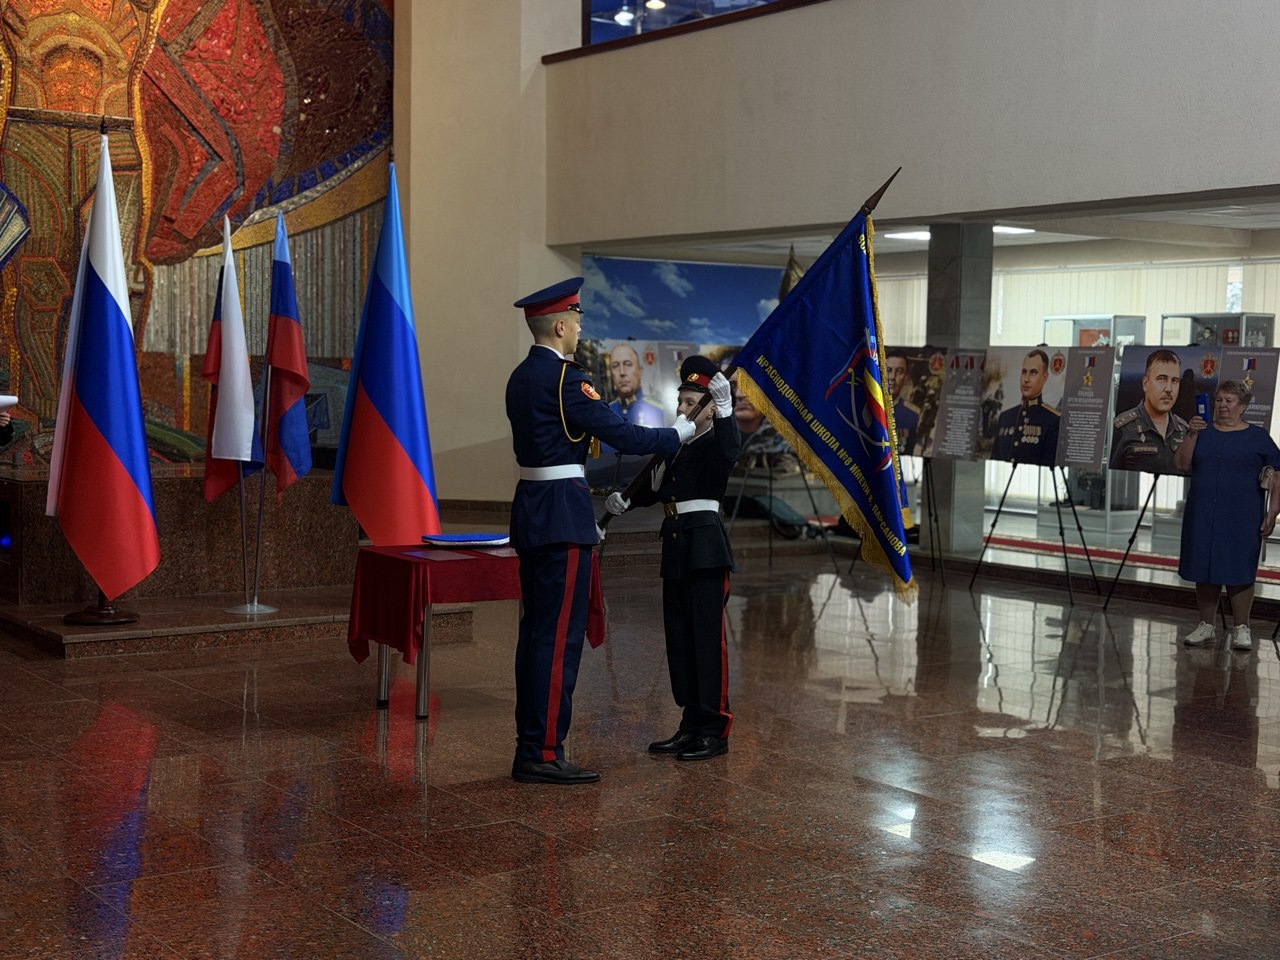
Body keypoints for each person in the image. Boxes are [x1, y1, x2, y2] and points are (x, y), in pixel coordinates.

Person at [506, 277, 695, 786]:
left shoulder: (520, 377)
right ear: (561, 325)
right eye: (578, 319)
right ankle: (543, 753)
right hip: (562, 517)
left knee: (535, 636)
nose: (580, 327)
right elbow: (623, 434)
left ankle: (532, 745)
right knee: (557, 641)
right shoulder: (566, 380)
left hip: (532, 511)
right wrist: (678, 433)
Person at [604, 356, 740, 760]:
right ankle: (690, 723)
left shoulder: (717, 440)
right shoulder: (676, 446)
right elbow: (652, 486)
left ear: (709, 407)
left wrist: (727, 408)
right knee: (680, 641)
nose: (681, 409)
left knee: (706, 641)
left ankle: (715, 728)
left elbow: (732, 451)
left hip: (706, 550)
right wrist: (623, 502)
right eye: (679, 401)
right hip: (677, 547)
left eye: (690, 402)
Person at [1174, 380, 1280, 652]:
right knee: (1204, 568)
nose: (1222, 405)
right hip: (1203, 512)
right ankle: (1205, 625)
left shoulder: (1258, 437)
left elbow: (1278, 475)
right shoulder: (1202, 432)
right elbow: (1182, 464)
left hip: (1241, 516)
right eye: (1219, 400)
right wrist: (1191, 435)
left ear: (1242, 407)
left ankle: (1242, 628)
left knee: (1240, 570)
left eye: (1229, 401)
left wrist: (1273, 512)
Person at [1110, 348, 1189, 474]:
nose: (1169, 389)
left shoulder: (1184, 430)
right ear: (1145, 384)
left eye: (1174, 381)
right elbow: (1114, 478)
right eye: (1161, 379)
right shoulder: (1123, 428)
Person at [990, 348, 1060, 464]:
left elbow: (1049, 463)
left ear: (1044, 377)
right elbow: (995, 459)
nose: (1026, 379)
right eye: (1024, 372)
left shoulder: (1052, 420)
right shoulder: (1005, 417)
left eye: (1033, 372)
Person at [607, 342, 664, 428]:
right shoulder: (606, 413)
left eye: (627, 364)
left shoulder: (658, 410)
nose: (622, 372)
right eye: (615, 366)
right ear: (611, 374)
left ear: (640, 371)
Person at [885, 350, 919, 455]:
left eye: (899, 371)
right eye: (888, 370)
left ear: (906, 378)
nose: (892, 377)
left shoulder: (912, 415)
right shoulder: (866, 408)